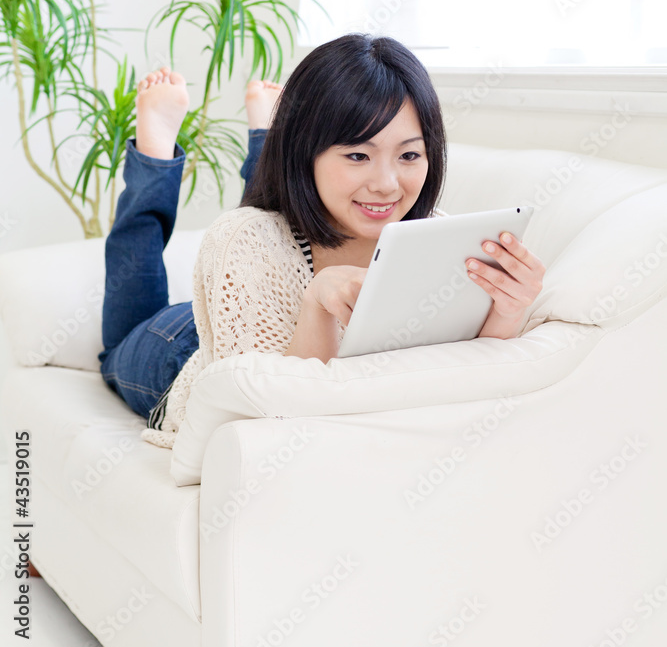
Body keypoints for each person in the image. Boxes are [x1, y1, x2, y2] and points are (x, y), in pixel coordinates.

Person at [98, 35, 545, 450]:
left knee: (258, 224)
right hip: (183, 349)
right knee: (118, 345)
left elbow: (459, 374)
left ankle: (265, 135)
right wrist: (316, 303)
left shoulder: (437, 237)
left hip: (255, 296)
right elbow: (267, 422)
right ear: (305, 152)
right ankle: (155, 153)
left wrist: (506, 309)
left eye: (409, 154)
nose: (387, 184)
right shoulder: (243, 239)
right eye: (358, 155)